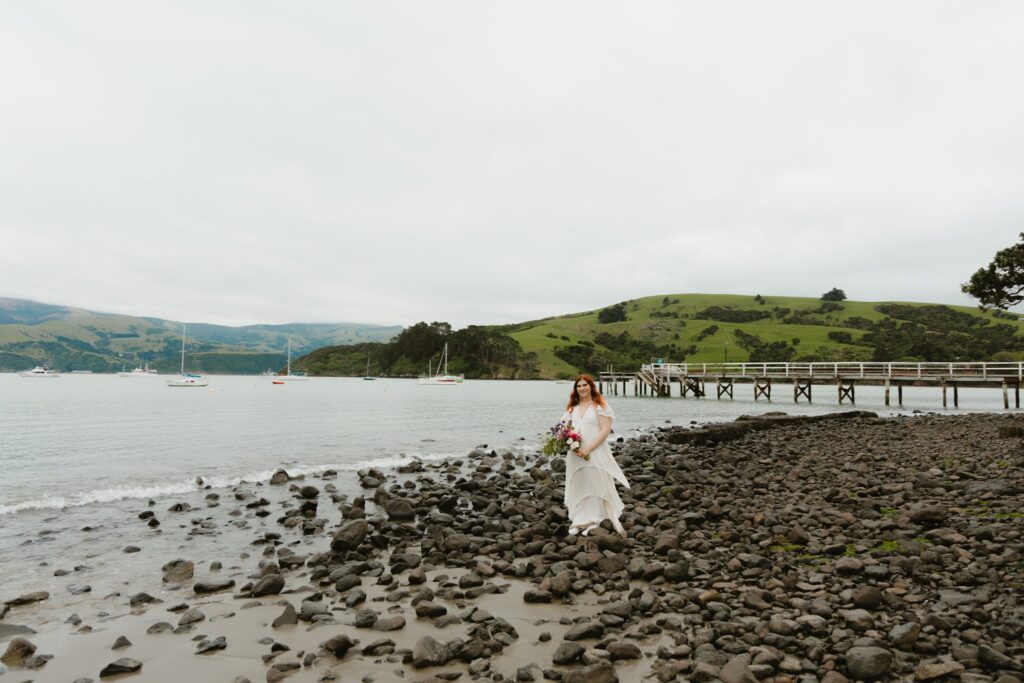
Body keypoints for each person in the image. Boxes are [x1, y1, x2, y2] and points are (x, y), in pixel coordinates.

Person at [561, 374, 630, 536]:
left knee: (596, 481)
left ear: (591, 387)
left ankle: (596, 519)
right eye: (579, 386)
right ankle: (579, 519)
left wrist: (588, 449)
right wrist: (566, 441)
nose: (582, 388)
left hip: (595, 450)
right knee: (579, 482)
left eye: (585, 385)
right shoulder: (572, 409)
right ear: (575, 389)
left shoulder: (600, 406)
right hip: (576, 453)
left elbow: (605, 430)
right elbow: (564, 430)